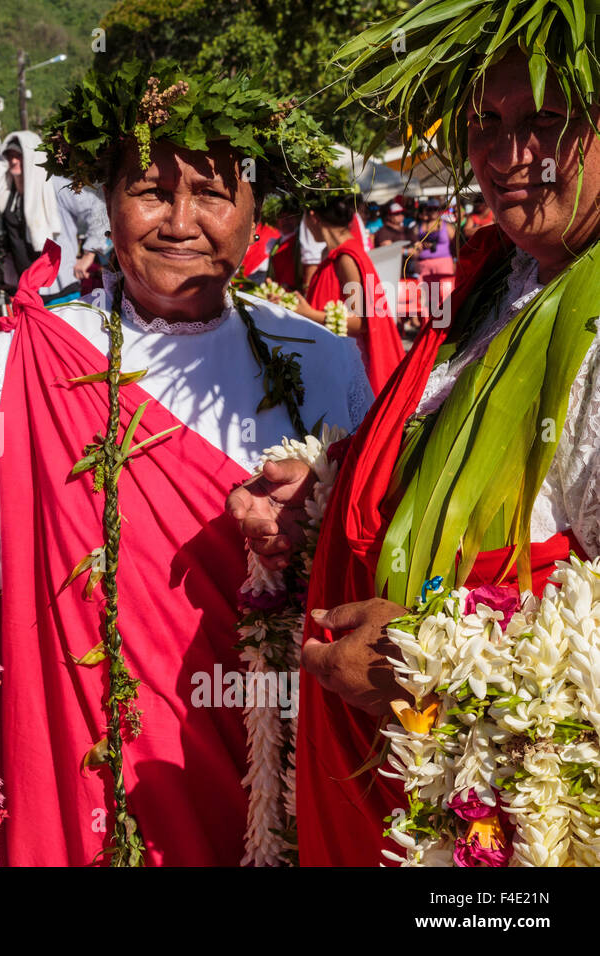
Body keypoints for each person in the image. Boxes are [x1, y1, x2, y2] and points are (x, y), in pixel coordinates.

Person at [0, 62, 372, 866]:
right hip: (91, 765)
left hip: (277, 753)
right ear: (107, 202)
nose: (180, 222)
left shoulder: (322, 359)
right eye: (152, 191)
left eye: (212, 193)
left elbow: (372, 549)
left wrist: (312, 525)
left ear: (255, 211)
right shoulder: (20, 358)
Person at [231, 6, 600, 866]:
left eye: (547, 120)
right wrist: (325, 493)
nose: (509, 155)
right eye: (487, 123)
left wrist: (434, 661)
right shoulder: (499, 282)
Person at [295, 189, 406, 392]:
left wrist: (309, 314)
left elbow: (361, 321)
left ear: (312, 216)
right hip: (340, 356)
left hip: (351, 364)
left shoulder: (346, 258)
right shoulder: (338, 253)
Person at [0, 130, 112, 301]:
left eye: (19, 155)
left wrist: (89, 254)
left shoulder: (54, 187)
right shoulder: (6, 194)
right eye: (9, 156)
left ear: (32, 156)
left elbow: (98, 208)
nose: (13, 161)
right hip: (26, 291)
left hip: (60, 290)